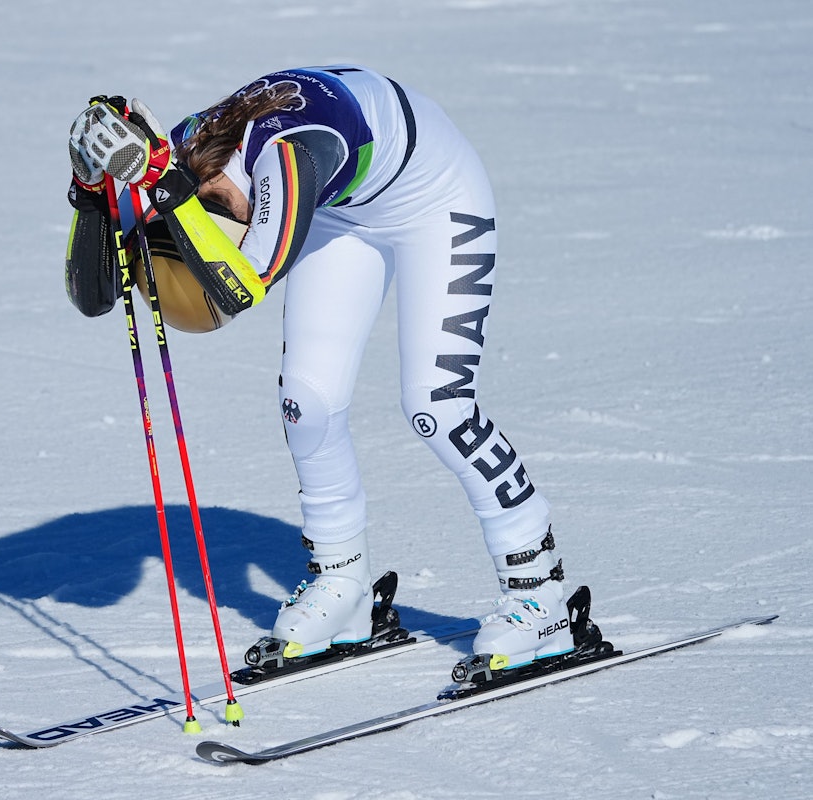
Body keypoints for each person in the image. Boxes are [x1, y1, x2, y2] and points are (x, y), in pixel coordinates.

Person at [64, 65, 576, 673]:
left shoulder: (290, 158)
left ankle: (540, 596)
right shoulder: (185, 153)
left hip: (436, 202)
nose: (228, 229)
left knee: (438, 406)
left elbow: (235, 289)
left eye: (223, 215)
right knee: (306, 402)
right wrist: (90, 195)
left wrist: (174, 201)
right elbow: (95, 296)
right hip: (342, 212)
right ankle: (342, 587)